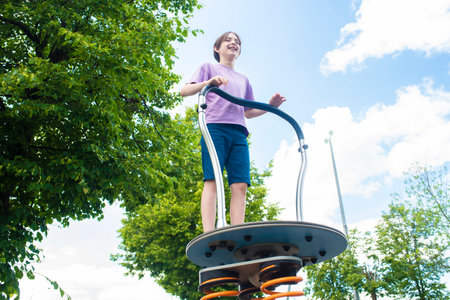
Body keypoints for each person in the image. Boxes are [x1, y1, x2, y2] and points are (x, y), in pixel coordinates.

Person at [180, 31, 286, 232]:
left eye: (237, 41)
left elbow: (249, 112)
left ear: (239, 51)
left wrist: (271, 106)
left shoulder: (243, 79)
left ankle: (237, 232)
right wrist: (208, 83)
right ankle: (209, 232)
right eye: (227, 40)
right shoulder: (208, 68)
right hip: (215, 128)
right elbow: (184, 91)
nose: (233, 43)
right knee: (213, 179)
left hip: (239, 133)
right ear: (216, 48)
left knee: (240, 185)